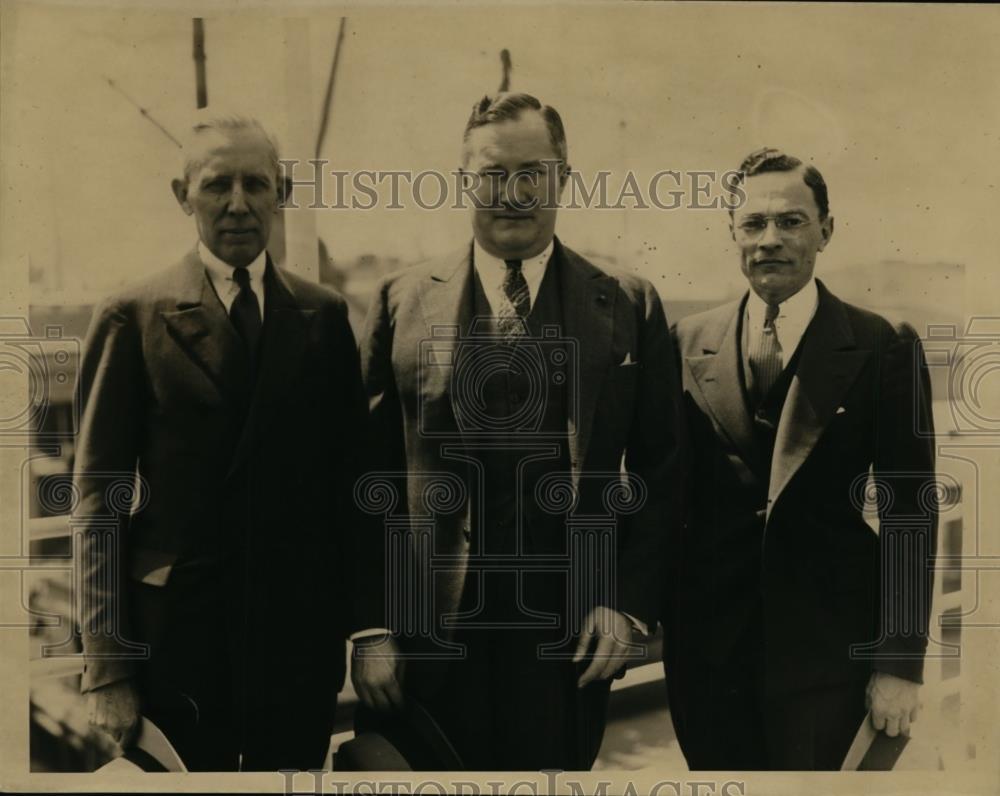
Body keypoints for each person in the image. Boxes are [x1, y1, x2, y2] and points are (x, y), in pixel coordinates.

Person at [352, 92, 683, 770]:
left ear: (564, 176)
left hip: (565, 640)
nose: (513, 193)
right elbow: (363, 471)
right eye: (492, 173)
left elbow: (664, 470)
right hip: (426, 639)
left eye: (532, 171)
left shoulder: (628, 302)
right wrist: (369, 626)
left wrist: (626, 608)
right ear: (462, 179)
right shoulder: (399, 301)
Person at [74, 115, 377, 771]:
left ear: (282, 192)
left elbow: (354, 486)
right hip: (179, 643)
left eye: (255, 183)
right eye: (216, 185)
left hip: (296, 643)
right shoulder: (134, 314)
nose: (237, 203)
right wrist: (107, 668)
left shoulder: (321, 316)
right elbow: (97, 501)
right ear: (182, 195)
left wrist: (370, 628)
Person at [664, 148, 938, 770]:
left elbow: (909, 516)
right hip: (709, 662)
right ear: (732, 234)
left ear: (826, 230)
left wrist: (899, 663)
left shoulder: (881, 344)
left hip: (827, 660)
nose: (770, 241)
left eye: (790, 222)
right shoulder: (684, 342)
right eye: (752, 225)